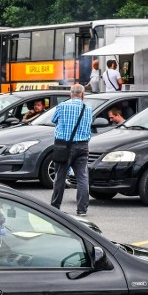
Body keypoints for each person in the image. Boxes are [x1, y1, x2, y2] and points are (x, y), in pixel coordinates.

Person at [49, 84, 93, 216]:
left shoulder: (62, 106)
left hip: (64, 146)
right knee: (82, 178)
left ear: (70, 94)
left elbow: (53, 120)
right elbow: (89, 125)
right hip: (82, 146)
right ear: (83, 95)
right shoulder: (88, 108)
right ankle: (82, 209)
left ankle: (55, 207)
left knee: (60, 177)